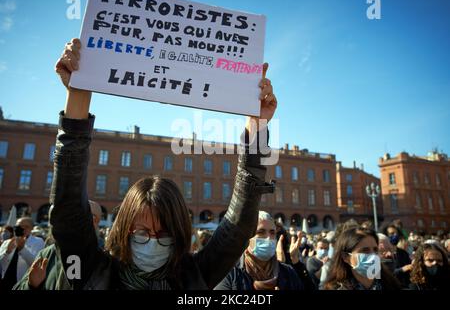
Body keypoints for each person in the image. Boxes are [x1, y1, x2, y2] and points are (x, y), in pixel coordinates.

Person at [20, 38, 277, 290]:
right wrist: (78, 92)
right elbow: (67, 212)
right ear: (124, 229)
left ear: (178, 236)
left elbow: (239, 227)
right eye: (141, 232)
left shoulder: (195, 276)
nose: (152, 242)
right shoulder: (88, 271)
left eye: (164, 234)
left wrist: (257, 124)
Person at [14, 201, 109, 290]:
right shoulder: (47, 254)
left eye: (90, 216)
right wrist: (31, 285)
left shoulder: (106, 261)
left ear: (96, 222)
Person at [215, 211, 303, 290]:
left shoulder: (288, 272)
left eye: (272, 232)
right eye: (261, 232)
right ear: (246, 237)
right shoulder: (229, 273)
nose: (268, 238)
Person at [323, 227, 401, 290]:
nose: (373, 255)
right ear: (346, 257)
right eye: (364, 250)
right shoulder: (336, 288)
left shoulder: (390, 284)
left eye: (375, 249)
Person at [0, 217, 45, 290]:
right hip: (5, 281)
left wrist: (22, 249)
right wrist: (7, 252)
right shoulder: (7, 242)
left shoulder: (38, 242)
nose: (22, 229)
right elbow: (1, 263)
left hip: (22, 283)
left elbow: (37, 264)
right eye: (19, 226)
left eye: (26, 227)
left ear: (31, 229)